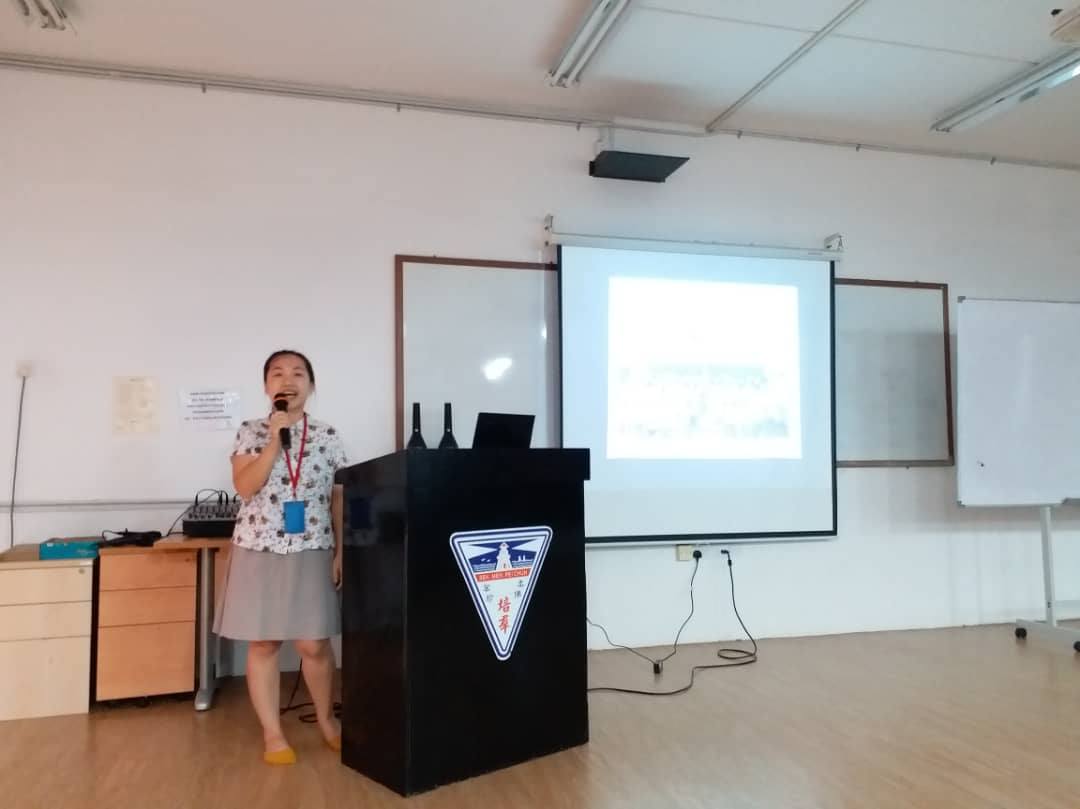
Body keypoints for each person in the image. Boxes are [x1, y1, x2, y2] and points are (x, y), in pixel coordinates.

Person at [214, 350, 346, 765]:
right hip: (259, 546)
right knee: (265, 641)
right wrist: (275, 439)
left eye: (298, 373)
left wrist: (341, 550)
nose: (288, 380)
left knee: (314, 643)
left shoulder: (327, 434)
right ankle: (273, 734)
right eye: (278, 373)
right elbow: (245, 487)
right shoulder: (250, 431)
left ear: (311, 384)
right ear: (266, 386)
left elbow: (337, 496)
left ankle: (327, 721)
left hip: (313, 544)